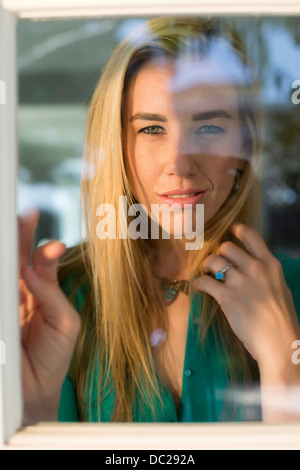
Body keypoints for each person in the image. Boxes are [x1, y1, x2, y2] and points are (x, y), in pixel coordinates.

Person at [19, 17, 300, 424]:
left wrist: (285, 362)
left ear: (246, 144)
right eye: (151, 128)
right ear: (117, 145)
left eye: (208, 125)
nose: (180, 164)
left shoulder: (291, 290)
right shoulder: (59, 296)